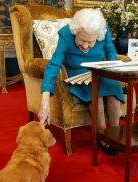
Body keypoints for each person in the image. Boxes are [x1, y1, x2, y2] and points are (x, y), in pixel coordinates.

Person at [38, 8, 125, 156]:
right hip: (76, 72)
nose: (85, 46)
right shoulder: (66, 33)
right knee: (95, 93)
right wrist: (45, 99)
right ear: (75, 32)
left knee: (113, 89)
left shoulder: (103, 30)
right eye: (81, 40)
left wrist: (111, 69)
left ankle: (114, 135)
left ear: (98, 35)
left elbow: (110, 52)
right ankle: (102, 137)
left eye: (90, 42)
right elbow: (54, 64)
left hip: (99, 70)